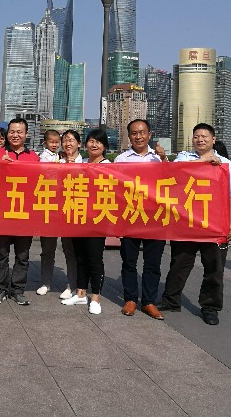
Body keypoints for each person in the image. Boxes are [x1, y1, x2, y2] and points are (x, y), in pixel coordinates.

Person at [157, 123, 231, 325]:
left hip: (215, 225)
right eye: (196, 136)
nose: (200, 139)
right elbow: (175, 172)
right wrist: (204, 161)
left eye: (205, 136)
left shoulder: (226, 165)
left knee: (214, 267)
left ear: (213, 140)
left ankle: (210, 307)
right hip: (187, 223)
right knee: (179, 263)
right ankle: (171, 300)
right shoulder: (184, 158)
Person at [114, 119, 168, 320]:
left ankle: (149, 301)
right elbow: (114, 187)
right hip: (130, 216)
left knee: (152, 262)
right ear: (129, 136)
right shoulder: (121, 159)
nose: (139, 136)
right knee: (129, 261)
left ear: (149, 135)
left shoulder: (158, 158)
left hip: (155, 217)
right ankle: (130, 299)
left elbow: (173, 181)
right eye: (134, 133)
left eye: (142, 132)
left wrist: (164, 159)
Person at [0, 118, 40, 305]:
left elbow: (38, 182)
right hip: (3, 213)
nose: (15, 135)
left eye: (19, 132)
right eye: (12, 131)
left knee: (23, 255)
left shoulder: (34, 157)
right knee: (0, 254)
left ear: (26, 134)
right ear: (7, 133)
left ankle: (18, 289)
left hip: (24, 214)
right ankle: (0, 288)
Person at [61, 128, 111, 314]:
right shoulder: (80, 164)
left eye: (98, 141)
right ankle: (81, 293)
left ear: (104, 146)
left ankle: (96, 297)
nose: (94, 144)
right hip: (79, 216)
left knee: (94, 258)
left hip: (97, 218)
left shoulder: (108, 165)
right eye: (91, 141)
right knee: (80, 256)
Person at [38, 130, 79, 298]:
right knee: (47, 249)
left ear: (79, 143)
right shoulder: (56, 159)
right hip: (51, 209)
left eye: (71, 140)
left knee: (70, 250)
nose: (68, 143)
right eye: (65, 140)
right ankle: (45, 282)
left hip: (72, 211)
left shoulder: (84, 162)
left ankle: (72, 285)